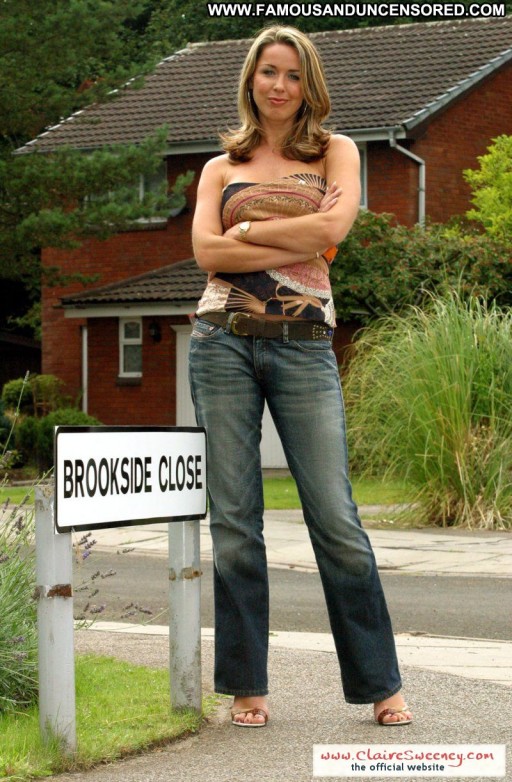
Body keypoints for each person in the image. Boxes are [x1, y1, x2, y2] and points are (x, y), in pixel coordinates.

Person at [189, 24, 413, 728]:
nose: (279, 85)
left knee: (335, 517)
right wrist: (286, 236)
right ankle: (246, 685)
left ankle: (380, 683)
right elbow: (206, 255)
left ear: (308, 84)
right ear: (251, 80)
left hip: (304, 344)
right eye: (268, 72)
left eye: (292, 74)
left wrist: (248, 234)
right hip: (221, 342)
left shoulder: (335, 152)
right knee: (234, 522)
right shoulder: (220, 166)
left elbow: (330, 231)